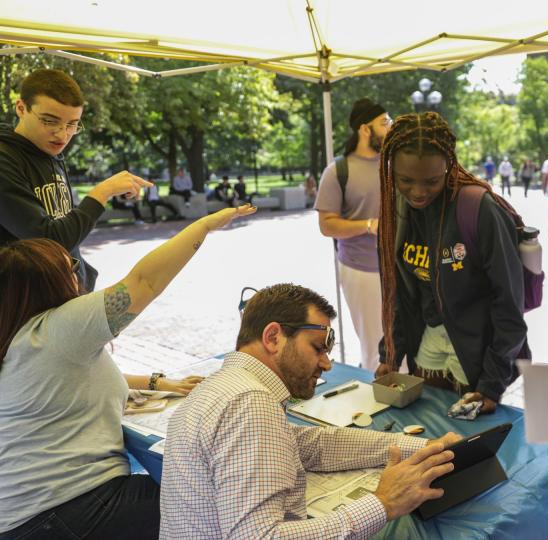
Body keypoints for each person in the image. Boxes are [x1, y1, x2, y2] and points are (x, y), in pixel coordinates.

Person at [0, 204, 254, 538]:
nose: (78, 275)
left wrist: (160, 382)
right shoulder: (60, 328)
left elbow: (74, 382)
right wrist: (204, 226)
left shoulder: (21, 338)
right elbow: (145, 282)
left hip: (34, 516)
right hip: (70, 510)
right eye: (71, 267)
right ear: (49, 283)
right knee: (217, 498)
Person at [159, 283, 460, 538]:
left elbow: (311, 445)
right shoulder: (249, 402)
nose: (327, 363)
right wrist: (383, 503)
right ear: (273, 337)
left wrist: (423, 447)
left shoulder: (227, 387)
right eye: (318, 348)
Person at [374, 112, 529, 415]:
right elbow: (398, 293)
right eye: (405, 180)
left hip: (476, 352)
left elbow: (509, 304)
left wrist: (491, 383)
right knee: (428, 430)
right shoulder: (397, 210)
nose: (418, 192)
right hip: (428, 343)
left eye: (432, 181)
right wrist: (390, 353)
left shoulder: (479, 209)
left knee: (470, 442)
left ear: (449, 165)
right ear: (390, 169)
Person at [0, 69, 152, 292]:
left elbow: (63, 224)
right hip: (24, 309)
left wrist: (83, 277)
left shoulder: (50, 152)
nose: (62, 135)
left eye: (72, 124)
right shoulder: (5, 159)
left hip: (63, 292)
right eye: (50, 121)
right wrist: (101, 194)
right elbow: (49, 241)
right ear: (21, 108)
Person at [315, 98, 393, 371]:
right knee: (375, 347)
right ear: (365, 129)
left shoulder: (395, 164)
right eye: (384, 123)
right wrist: (369, 225)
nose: (390, 127)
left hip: (402, 267)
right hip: (362, 270)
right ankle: (380, 401)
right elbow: (327, 225)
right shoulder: (338, 170)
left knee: (405, 343)